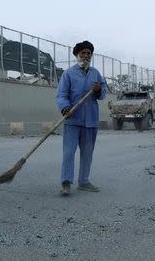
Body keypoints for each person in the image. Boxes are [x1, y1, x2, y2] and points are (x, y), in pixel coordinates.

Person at [56, 40, 106, 196]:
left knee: (87, 153)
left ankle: (84, 182)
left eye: (88, 53)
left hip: (90, 121)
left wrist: (98, 90)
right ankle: (66, 183)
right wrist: (65, 108)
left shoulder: (95, 73)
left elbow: (103, 93)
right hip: (72, 119)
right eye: (83, 53)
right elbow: (61, 95)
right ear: (77, 55)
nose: (85, 56)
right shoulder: (68, 73)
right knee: (69, 153)